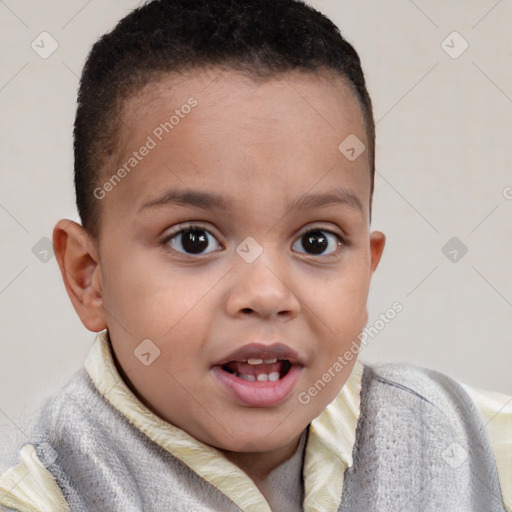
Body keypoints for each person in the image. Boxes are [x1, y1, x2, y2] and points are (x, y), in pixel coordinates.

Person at [0, 0, 510, 510]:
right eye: (194, 240)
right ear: (90, 278)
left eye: (316, 241)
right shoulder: (44, 495)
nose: (266, 294)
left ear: (367, 271)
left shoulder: (475, 444)